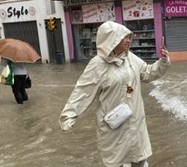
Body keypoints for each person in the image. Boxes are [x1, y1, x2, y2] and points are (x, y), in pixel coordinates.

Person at [59, 21, 170, 167]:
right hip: (114, 125)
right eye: (124, 37)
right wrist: (69, 115)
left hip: (135, 120)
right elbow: (83, 91)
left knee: (139, 157)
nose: (128, 40)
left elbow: (147, 73)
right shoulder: (98, 64)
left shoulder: (130, 58)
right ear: (112, 40)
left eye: (128, 37)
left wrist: (162, 62)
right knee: (116, 161)